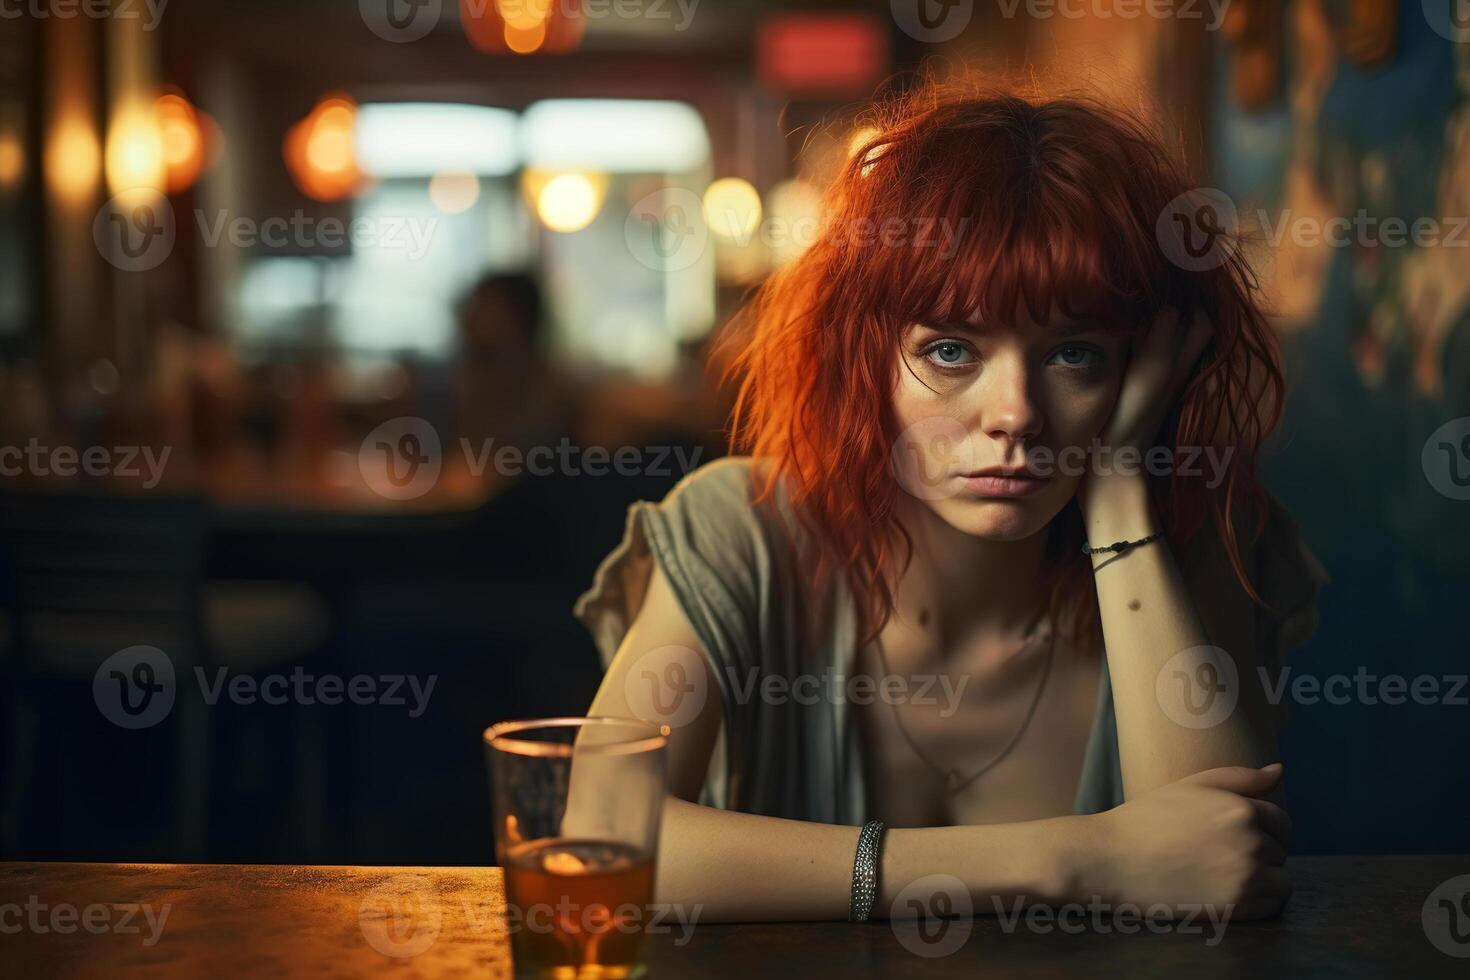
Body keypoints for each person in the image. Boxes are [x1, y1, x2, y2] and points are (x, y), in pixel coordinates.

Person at [574, 86, 1328, 924]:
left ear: (1145, 367)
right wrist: (1078, 859)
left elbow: (1218, 874)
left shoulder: (1197, 537)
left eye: (1075, 353)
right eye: (950, 349)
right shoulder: (742, 530)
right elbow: (605, 837)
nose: (1014, 412)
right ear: (868, 360)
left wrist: (1119, 498)